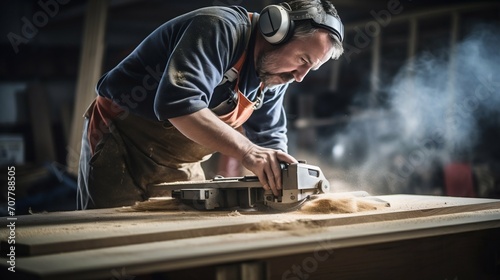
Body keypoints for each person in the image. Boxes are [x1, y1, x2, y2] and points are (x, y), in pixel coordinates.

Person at [77, 0, 344, 209]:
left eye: (312, 68)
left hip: (179, 162)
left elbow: (270, 136)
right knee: (111, 237)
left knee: (176, 241)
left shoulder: (275, 74)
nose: (300, 77)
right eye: (303, 60)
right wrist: (249, 152)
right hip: (122, 141)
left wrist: (284, 179)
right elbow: (178, 104)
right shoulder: (219, 28)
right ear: (277, 31)